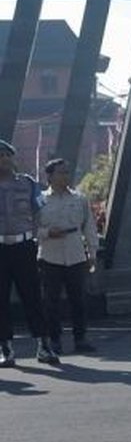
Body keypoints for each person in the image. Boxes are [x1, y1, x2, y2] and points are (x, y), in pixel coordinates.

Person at [0, 139, 58, 366]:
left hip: (24, 247)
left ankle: (44, 345)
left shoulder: (28, 184)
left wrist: (38, 234)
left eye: (7, 154)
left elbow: (41, 211)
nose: (4, 159)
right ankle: (6, 347)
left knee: (33, 296)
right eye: (0, 155)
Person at [37, 158, 99, 354]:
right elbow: (31, 228)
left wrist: (92, 251)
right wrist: (47, 233)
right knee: (51, 301)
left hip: (75, 253)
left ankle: (80, 338)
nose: (65, 176)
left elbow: (89, 227)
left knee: (78, 300)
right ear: (50, 176)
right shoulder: (40, 200)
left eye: (66, 172)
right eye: (60, 172)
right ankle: (54, 339)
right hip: (50, 255)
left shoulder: (79, 199)